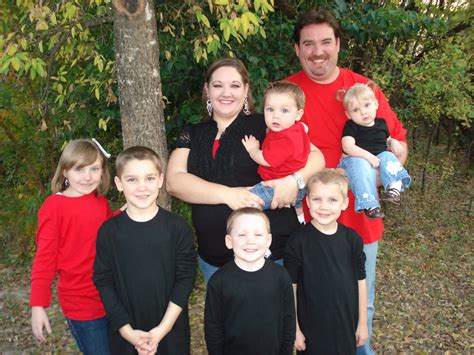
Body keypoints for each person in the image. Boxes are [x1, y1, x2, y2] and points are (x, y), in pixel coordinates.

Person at [286, 9, 408, 354]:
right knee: (307, 309)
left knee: (359, 310)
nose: (317, 51)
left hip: (359, 223)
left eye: (326, 42)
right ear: (297, 49)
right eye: (308, 43)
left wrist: (385, 162)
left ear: (338, 45)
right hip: (307, 224)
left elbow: (396, 144)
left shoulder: (363, 89)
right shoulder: (287, 92)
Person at [166, 58, 324, 283]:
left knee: (273, 317)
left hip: (271, 255)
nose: (226, 93)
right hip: (214, 260)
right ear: (207, 90)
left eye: (235, 85)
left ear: (246, 89)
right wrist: (229, 195)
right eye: (218, 85)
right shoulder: (193, 133)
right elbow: (174, 181)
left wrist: (293, 181)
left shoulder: (267, 124)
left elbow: (316, 157)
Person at [93, 146, 196, 355]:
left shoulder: (177, 228)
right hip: (126, 333)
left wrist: (161, 330)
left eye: (149, 178)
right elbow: (103, 280)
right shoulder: (109, 231)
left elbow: (185, 279)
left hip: (170, 331)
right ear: (119, 184)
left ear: (160, 180)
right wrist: (127, 331)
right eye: (132, 180)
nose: (142, 187)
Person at [30, 139, 113, 354]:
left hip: (111, 296)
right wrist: (38, 305)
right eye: (79, 169)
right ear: (65, 171)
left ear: (103, 171)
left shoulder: (101, 203)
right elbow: (44, 259)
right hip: (81, 302)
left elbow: (110, 234)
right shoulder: (54, 207)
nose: (88, 177)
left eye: (94, 169)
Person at [285, 169, 368, 354]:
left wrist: (362, 323)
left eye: (332, 200)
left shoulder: (352, 240)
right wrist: (295, 329)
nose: (324, 207)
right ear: (307, 201)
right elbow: (290, 287)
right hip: (311, 330)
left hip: (346, 326)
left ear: (345, 203)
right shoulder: (298, 241)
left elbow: (361, 282)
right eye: (317, 199)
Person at [205, 207, 295, 355]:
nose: (250, 241)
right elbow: (213, 328)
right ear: (229, 241)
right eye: (241, 234)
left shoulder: (281, 276)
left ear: (268, 240)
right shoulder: (219, 282)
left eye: (258, 234)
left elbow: (288, 321)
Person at [338, 83, 412, 219]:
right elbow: (348, 146)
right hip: (356, 158)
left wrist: (393, 142)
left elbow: (386, 140)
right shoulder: (351, 126)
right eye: (356, 110)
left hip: (378, 156)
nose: (363, 112)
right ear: (348, 114)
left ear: (376, 104)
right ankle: (369, 204)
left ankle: (393, 189)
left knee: (388, 156)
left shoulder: (381, 123)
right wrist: (368, 157)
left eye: (367, 105)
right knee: (361, 166)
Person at [241, 80, 311, 218]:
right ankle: (300, 217)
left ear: (298, 114)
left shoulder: (284, 140)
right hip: (298, 185)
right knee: (297, 206)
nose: (276, 115)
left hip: (277, 186)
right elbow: (304, 128)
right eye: (270, 109)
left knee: (248, 203)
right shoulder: (297, 127)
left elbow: (266, 159)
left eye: (284, 110)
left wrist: (252, 150)